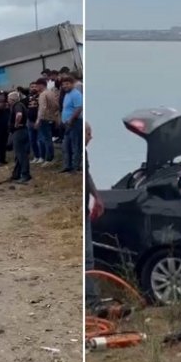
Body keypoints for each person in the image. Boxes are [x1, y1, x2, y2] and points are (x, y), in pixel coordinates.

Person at [85, 122, 104, 308]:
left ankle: (90, 298)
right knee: (87, 257)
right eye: (89, 133)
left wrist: (96, 197)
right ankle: (91, 301)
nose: (91, 137)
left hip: (85, 209)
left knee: (87, 257)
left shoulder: (84, 153)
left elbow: (87, 176)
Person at [60, 77, 83, 172]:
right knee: (66, 145)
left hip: (75, 122)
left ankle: (75, 166)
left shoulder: (76, 94)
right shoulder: (67, 94)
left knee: (75, 145)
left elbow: (79, 108)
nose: (65, 86)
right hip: (66, 124)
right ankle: (67, 166)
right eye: (63, 84)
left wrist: (71, 119)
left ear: (72, 84)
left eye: (67, 84)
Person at [8, 91, 32, 183]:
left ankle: (25, 175)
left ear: (12, 99)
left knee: (21, 155)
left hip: (19, 132)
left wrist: (16, 124)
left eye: (8, 99)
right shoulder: (20, 105)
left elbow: (19, 115)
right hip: (22, 131)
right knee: (19, 155)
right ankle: (16, 174)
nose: (8, 100)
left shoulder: (17, 105)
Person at [35, 78, 58, 164]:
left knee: (46, 139)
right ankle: (50, 157)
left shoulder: (42, 95)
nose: (36, 87)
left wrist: (38, 120)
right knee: (49, 138)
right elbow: (56, 105)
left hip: (44, 118)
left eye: (37, 85)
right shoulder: (51, 93)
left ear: (41, 85)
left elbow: (42, 108)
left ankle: (49, 158)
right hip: (51, 118)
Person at [26, 82, 44, 164]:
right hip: (30, 121)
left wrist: (38, 119)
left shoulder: (40, 96)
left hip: (38, 120)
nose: (33, 88)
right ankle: (36, 156)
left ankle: (42, 156)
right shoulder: (29, 97)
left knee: (39, 140)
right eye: (31, 87)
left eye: (34, 87)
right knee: (32, 140)